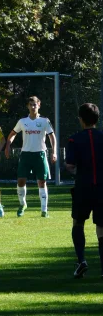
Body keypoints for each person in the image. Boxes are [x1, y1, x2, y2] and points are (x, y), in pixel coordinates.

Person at [65, 103, 103, 279]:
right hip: (102, 187)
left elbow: (70, 165)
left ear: (81, 119)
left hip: (83, 187)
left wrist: (77, 172)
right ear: (97, 119)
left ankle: (81, 261)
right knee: (101, 228)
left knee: (78, 223)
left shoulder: (74, 139)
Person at [5, 96, 57, 217]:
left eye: (35, 104)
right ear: (27, 106)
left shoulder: (45, 121)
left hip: (40, 154)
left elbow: (52, 136)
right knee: (21, 181)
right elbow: (12, 133)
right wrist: (8, 145)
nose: (33, 107)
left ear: (39, 105)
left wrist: (54, 152)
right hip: (26, 155)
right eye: (31, 104)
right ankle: (23, 204)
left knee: (42, 182)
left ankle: (44, 210)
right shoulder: (23, 121)